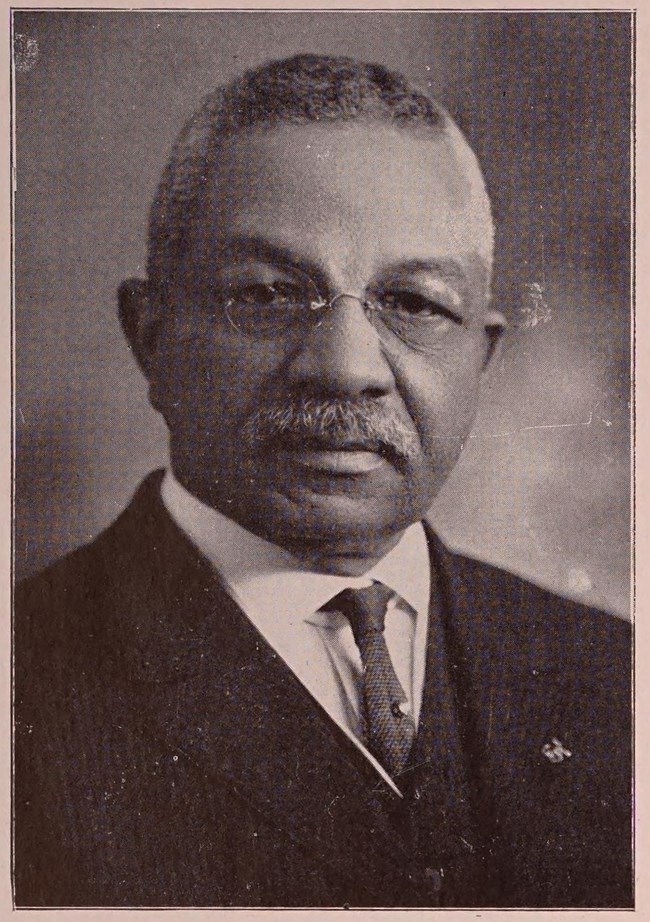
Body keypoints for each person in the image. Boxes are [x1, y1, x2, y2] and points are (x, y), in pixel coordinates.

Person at [14, 54, 631, 908]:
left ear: (480, 356)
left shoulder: (615, 678)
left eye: (414, 304)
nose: (346, 369)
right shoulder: (27, 683)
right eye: (267, 293)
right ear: (150, 336)